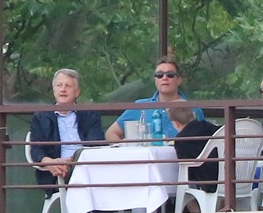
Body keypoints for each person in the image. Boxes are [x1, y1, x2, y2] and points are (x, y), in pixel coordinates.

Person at [103, 53, 220, 201]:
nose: (164, 78)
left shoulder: (193, 109)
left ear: (179, 80)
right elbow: (111, 133)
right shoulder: (141, 106)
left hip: (187, 174)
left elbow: (206, 145)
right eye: (159, 75)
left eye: (170, 75)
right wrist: (127, 152)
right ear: (155, 80)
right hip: (146, 174)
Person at [27, 68, 104, 195]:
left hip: (86, 166)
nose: (63, 89)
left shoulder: (90, 115)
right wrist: (51, 163)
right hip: (57, 172)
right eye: (59, 85)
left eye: (68, 86)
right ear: (54, 90)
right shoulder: (40, 117)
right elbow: (36, 150)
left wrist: (71, 161)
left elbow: (96, 144)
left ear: (77, 92)